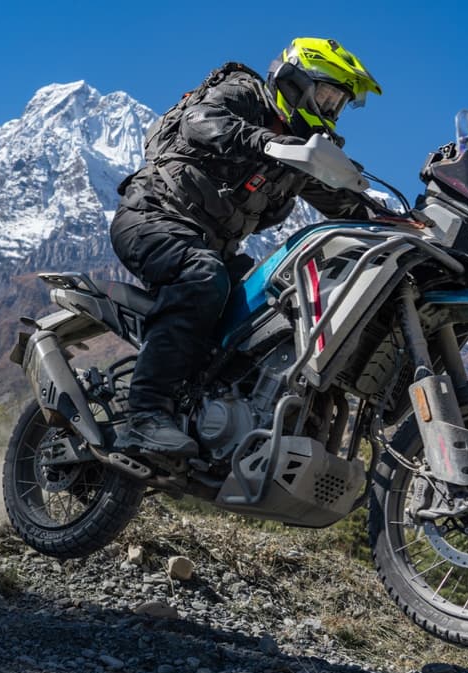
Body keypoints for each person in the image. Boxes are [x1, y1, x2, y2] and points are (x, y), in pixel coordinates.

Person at [110, 37, 383, 456]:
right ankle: (144, 417)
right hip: (153, 217)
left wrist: (402, 221)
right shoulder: (243, 91)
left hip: (213, 246)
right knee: (202, 278)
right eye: (327, 95)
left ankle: (215, 411)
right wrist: (268, 143)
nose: (330, 111)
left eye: (338, 104)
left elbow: (345, 205)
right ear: (296, 82)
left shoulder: (300, 150)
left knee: (271, 309)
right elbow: (201, 120)